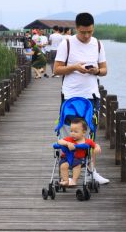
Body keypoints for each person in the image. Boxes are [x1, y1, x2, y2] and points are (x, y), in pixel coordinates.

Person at [53, 12, 110, 184]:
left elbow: (105, 69)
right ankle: (66, 172)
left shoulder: (98, 44)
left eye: (90, 32)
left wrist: (96, 71)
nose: (87, 36)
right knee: (69, 133)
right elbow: (56, 69)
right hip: (70, 95)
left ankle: (92, 171)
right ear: (76, 28)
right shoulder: (67, 43)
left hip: (91, 95)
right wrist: (75, 67)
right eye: (83, 32)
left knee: (90, 134)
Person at [57, 117, 101, 186]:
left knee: (77, 166)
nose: (72, 133)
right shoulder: (69, 139)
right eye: (71, 131)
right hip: (66, 158)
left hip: (78, 159)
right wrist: (67, 143)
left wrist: (97, 148)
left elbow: (95, 145)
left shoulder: (87, 141)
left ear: (84, 132)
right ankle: (65, 180)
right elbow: (59, 141)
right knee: (63, 166)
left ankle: (74, 180)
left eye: (75, 132)